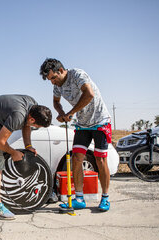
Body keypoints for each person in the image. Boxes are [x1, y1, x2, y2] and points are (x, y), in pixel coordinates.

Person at [40, 58, 112, 212]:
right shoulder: (57, 86)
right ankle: (79, 198)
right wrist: (61, 113)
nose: (52, 82)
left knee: (100, 159)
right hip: (82, 125)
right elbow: (56, 102)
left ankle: (105, 197)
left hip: (100, 121)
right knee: (76, 158)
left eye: (53, 78)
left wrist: (71, 112)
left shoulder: (77, 74)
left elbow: (89, 94)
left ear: (60, 70)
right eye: (49, 80)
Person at [0, 94, 52, 220]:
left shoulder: (32, 105)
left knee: (0, 156)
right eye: (37, 126)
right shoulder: (18, 115)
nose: (35, 128)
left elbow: (27, 125)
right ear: (32, 118)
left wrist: (28, 145)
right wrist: (13, 153)